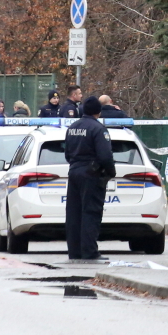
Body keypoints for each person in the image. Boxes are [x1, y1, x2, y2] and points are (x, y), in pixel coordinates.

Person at [63, 97, 114, 261]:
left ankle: (75, 251)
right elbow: (105, 156)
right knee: (91, 212)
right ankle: (90, 252)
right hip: (91, 174)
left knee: (74, 214)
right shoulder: (98, 129)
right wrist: (110, 172)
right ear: (98, 112)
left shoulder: (72, 127)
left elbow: (67, 154)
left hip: (74, 172)